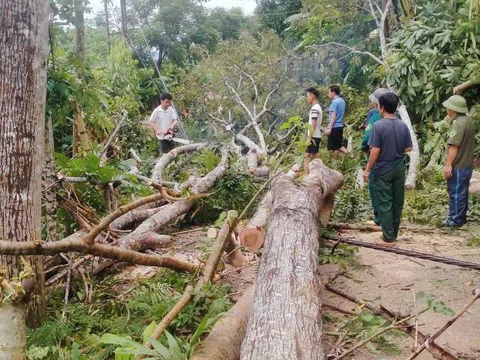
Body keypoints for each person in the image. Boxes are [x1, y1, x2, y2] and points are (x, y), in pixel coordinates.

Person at [363, 92, 413, 245]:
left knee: (385, 201)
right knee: (398, 200)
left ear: (382, 107)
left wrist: (367, 170)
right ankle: (394, 233)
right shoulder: (402, 125)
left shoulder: (378, 126)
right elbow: (409, 148)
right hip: (399, 167)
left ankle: (388, 236)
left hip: (383, 167)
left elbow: (375, 151)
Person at [442, 95, 476, 227]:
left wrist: (448, 165)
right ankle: (460, 218)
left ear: (453, 110)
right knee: (462, 192)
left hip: (459, 164)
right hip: (467, 164)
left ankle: (455, 221)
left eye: (448, 108)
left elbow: (454, 146)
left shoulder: (458, 124)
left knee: (456, 193)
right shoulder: (468, 120)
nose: (447, 110)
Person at [361, 88, 389, 225]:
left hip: (376, 157)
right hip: (394, 160)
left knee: (375, 186)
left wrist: (363, 148)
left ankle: (379, 218)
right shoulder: (396, 116)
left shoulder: (374, 115)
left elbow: (367, 136)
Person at [325, 85, 348, 160]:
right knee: (338, 145)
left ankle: (336, 163)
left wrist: (329, 128)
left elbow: (333, 115)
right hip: (340, 126)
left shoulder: (334, 102)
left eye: (329, 92)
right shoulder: (342, 101)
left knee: (335, 147)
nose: (328, 94)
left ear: (333, 92)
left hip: (334, 126)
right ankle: (350, 156)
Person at [304, 87, 323, 174]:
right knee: (315, 156)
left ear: (312, 96)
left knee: (306, 156)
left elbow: (313, 124)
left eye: (307, 95)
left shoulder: (315, 108)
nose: (307, 98)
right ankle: (319, 172)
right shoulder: (317, 107)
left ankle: (305, 176)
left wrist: (309, 137)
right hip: (316, 135)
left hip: (313, 136)